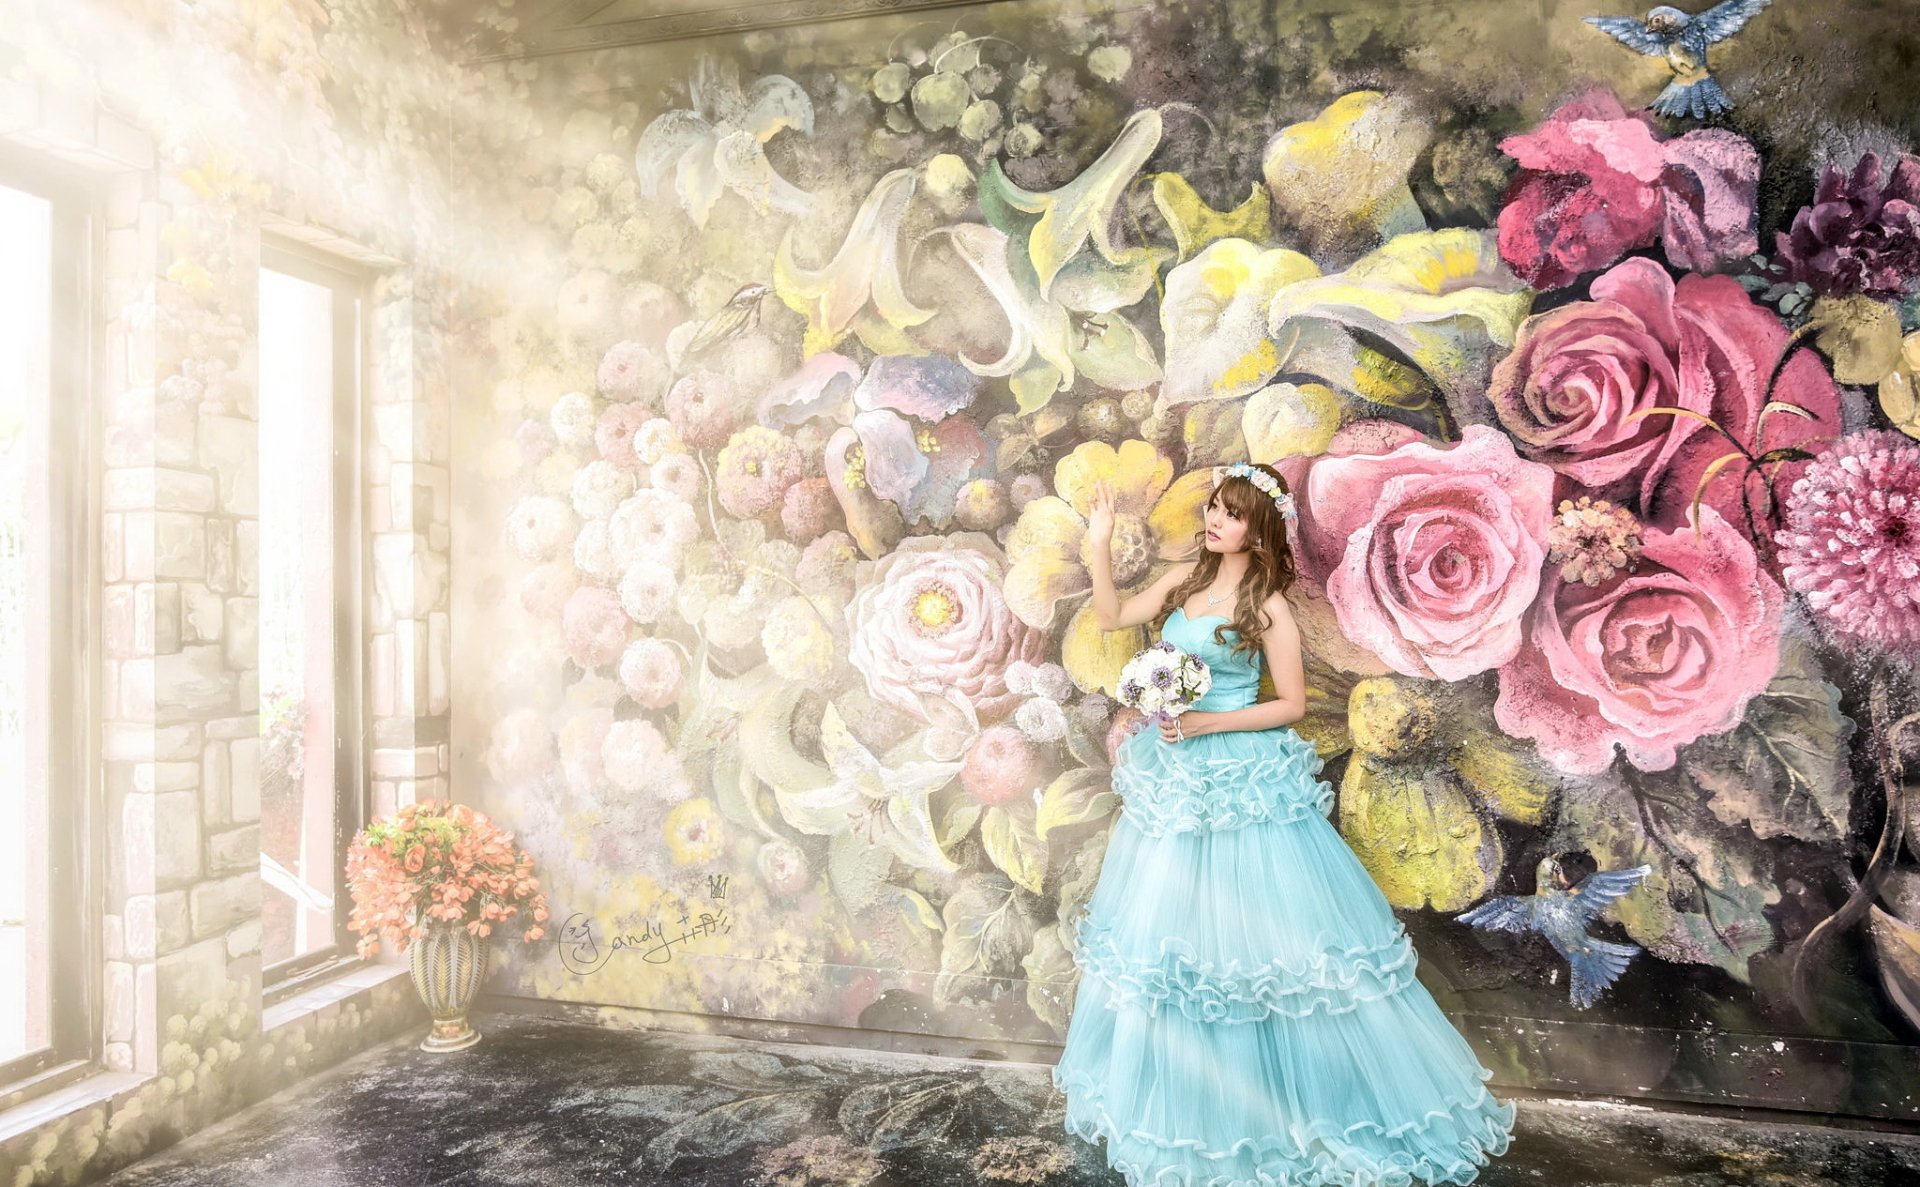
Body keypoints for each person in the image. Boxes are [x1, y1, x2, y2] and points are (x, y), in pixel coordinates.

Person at [1051, 461, 1516, 1186]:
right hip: (1176, 773)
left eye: (1233, 513)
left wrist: (1207, 721)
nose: (1215, 520)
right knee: (1175, 938)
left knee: (1264, 946)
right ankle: (1192, 1105)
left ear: (1260, 528)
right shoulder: (1183, 581)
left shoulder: (1267, 606)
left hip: (1237, 766)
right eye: (1214, 507)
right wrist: (1101, 540)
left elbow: (1291, 704)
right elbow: (1110, 617)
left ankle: (1281, 1113)